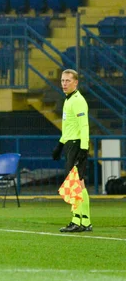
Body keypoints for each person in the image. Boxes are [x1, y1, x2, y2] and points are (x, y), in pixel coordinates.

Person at [52, 69, 92, 233]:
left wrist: (83, 148)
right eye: (62, 80)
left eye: (68, 81)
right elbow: (69, 127)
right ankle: (85, 221)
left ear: (76, 82)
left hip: (76, 145)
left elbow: (84, 126)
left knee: (75, 183)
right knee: (79, 183)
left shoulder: (77, 101)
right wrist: (60, 145)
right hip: (70, 144)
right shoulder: (68, 101)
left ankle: (77, 220)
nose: (64, 84)